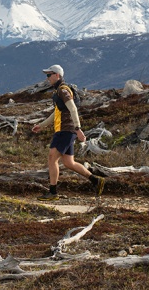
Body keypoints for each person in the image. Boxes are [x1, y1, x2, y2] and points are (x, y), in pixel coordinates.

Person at [31, 64, 105, 200]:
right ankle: (96, 181)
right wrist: (41, 125)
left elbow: (73, 109)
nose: (47, 78)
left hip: (66, 130)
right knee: (68, 163)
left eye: (49, 75)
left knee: (52, 157)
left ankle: (53, 192)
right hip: (64, 130)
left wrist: (78, 129)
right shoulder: (58, 90)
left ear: (57, 75)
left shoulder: (63, 90)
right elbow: (56, 113)